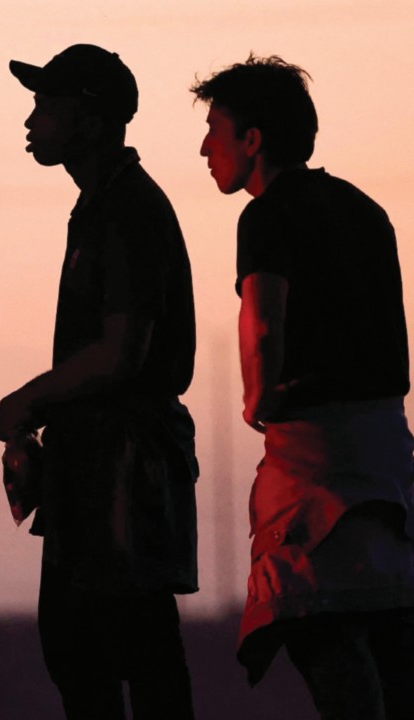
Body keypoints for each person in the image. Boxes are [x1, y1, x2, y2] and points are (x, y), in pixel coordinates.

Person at [192, 56, 414, 720]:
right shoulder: (366, 211)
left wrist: (258, 399)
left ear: (253, 139)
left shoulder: (266, 218)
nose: (205, 148)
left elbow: (264, 320)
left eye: (215, 129)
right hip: (390, 462)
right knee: (393, 653)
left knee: (322, 634)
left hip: (316, 467)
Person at [0, 44, 199, 719]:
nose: (32, 119)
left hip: (121, 468)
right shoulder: (105, 204)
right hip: (104, 463)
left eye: (47, 105)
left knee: (101, 651)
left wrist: (29, 398)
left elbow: (120, 351)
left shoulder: (125, 210)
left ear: (90, 121)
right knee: (119, 651)